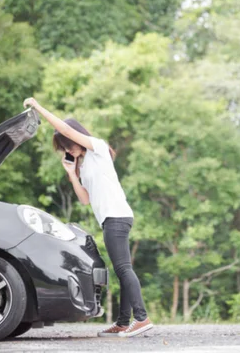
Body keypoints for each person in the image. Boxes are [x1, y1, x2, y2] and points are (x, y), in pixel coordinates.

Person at [23, 97, 153, 338]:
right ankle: (124, 322)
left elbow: (63, 127)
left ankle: (141, 318)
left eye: (67, 144)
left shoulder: (98, 148)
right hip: (111, 219)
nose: (68, 150)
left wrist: (37, 107)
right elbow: (84, 199)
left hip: (117, 216)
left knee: (124, 268)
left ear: (76, 136)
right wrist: (72, 173)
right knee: (122, 269)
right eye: (64, 148)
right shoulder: (84, 166)